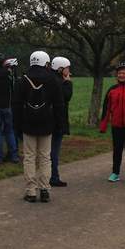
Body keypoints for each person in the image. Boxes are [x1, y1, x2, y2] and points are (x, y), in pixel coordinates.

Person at [13, 51, 63, 203]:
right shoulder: (52, 79)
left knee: (29, 157)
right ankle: (45, 189)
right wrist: (59, 124)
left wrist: (17, 125)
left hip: (28, 124)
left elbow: (16, 105)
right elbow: (59, 105)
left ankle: (31, 191)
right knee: (45, 157)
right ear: (46, 62)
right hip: (47, 123)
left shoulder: (22, 80)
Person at [49, 56, 72, 187]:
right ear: (61, 69)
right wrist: (68, 82)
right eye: (67, 68)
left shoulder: (51, 79)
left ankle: (49, 175)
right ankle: (54, 176)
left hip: (49, 119)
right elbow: (66, 97)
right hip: (57, 121)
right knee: (54, 151)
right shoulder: (61, 82)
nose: (69, 71)